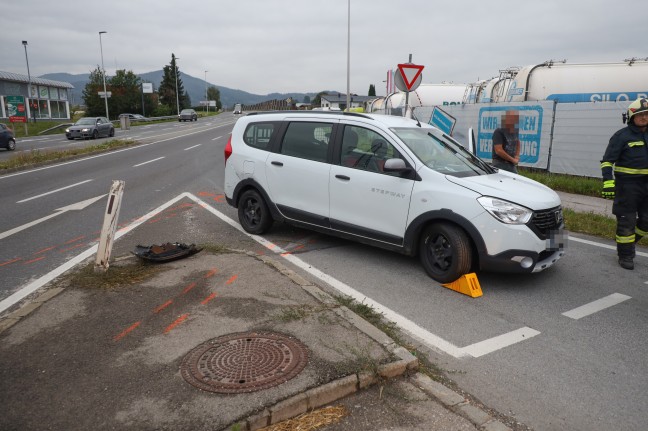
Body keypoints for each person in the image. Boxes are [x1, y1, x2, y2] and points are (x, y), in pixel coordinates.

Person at [600, 98, 648, 270]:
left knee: (646, 222)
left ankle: (628, 243)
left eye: (647, 114)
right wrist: (608, 183)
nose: (644, 117)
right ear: (630, 116)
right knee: (627, 222)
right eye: (640, 114)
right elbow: (607, 162)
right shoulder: (621, 136)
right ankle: (626, 255)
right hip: (627, 187)